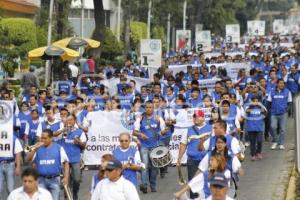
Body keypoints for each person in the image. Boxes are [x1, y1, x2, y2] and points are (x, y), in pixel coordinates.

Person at [132, 101, 167, 193]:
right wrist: (141, 135)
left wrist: (160, 133)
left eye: (151, 107)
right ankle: (144, 185)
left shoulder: (158, 118)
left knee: (154, 167)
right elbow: (134, 132)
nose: (149, 109)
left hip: (155, 146)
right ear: (145, 108)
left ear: (153, 108)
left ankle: (153, 185)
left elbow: (165, 130)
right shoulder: (140, 119)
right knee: (145, 165)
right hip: (144, 146)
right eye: (147, 107)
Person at [177, 110, 212, 199]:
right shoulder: (188, 130)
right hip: (192, 161)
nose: (195, 118)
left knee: (207, 183)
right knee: (193, 183)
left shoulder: (210, 128)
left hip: (206, 161)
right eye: (194, 116)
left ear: (203, 118)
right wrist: (179, 159)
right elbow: (183, 144)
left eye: (198, 116)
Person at [27, 129, 70, 200]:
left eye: (45, 138)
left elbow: (66, 163)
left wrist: (66, 177)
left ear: (51, 138)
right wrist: (34, 149)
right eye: (41, 138)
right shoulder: (37, 148)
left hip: (55, 180)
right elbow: (28, 159)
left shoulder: (59, 148)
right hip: (41, 180)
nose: (42, 140)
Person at [60, 114, 87, 200]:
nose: (69, 122)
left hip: (75, 159)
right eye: (68, 120)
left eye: (71, 120)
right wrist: (63, 131)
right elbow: (55, 138)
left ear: (74, 121)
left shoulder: (80, 132)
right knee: (66, 180)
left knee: (76, 179)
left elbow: (84, 146)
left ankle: (74, 192)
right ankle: (67, 197)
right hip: (65, 160)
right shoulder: (63, 131)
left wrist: (79, 142)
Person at [267, 79, 292, 150]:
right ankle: (275, 141)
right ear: (277, 84)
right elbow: (269, 102)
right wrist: (269, 110)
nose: (282, 85)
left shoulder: (287, 92)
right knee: (273, 127)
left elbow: (289, 103)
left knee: (282, 129)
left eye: (283, 83)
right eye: (280, 83)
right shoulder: (272, 92)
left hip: (283, 113)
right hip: (273, 113)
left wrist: (286, 110)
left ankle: (281, 144)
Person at [0, 136, 23, 200]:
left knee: (10, 189)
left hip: (10, 164)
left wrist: (18, 167)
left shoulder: (13, 138)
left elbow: (18, 152)